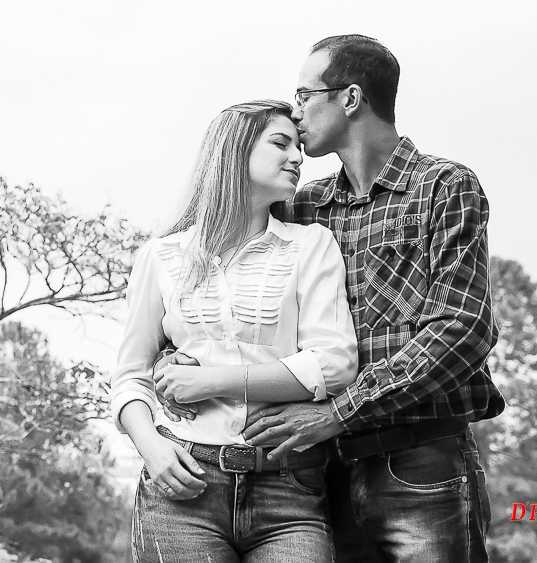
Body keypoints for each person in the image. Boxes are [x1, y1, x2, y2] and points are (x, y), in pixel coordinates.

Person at [242, 35, 505, 562]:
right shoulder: (303, 206)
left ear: (350, 98)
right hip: (319, 471)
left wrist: (339, 412)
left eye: (303, 94)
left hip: (421, 459)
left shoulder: (444, 186)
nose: (295, 114)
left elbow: (461, 328)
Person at [111, 99, 359, 563]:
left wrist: (213, 380)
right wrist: (151, 448)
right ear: (235, 152)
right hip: (183, 485)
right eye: (280, 143)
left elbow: (335, 362)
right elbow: (130, 376)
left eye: (298, 146)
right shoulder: (161, 257)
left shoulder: (311, 245)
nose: (298, 157)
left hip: (289, 487)